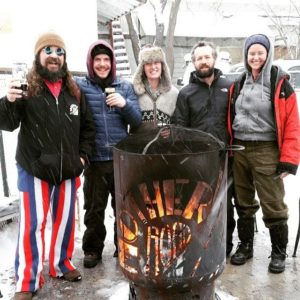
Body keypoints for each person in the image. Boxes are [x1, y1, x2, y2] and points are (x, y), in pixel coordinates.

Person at [0, 31, 95, 300]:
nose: (54, 56)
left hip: (68, 170)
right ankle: (27, 280)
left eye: (59, 52)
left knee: (64, 222)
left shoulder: (74, 91)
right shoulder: (27, 89)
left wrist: (82, 158)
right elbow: (7, 123)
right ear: (39, 56)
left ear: (64, 58)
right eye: (49, 51)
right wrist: (7, 101)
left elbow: (88, 128)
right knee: (33, 225)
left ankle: (60, 264)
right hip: (35, 170)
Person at [228, 33, 300, 273]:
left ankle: (278, 251)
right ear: (246, 56)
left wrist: (288, 160)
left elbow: (292, 123)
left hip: (266, 149)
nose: (255, 57)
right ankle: (246, 245)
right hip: (239, 148)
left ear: (267, 54)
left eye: (260, 52)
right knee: (243, 200)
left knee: (273, 202)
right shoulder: (239, 81)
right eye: (251, 53)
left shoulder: (280, 83)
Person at [75, 40, 142, 268]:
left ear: (112, 63)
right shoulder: (81, 87)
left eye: (106, 60)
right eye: (98, 60)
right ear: (91, 62)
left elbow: (137, 120)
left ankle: (124, 247)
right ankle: (93, 249)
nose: (102, 64)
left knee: (123, 207)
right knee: (94, 208)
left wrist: (124, 104)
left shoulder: (123, 87)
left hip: (119, 158)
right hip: (94, 160)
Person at [174, 41, 236, 256]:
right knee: (197, 204)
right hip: (197, 160)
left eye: (206, 57)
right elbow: (179, 127)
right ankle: (198, 245)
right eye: (199, 58)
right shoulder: (186, 93)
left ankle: (224, 245)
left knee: (225, 203)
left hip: (225, 157)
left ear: (214, 59)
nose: (203, 61)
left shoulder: (229, 88)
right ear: (193, 63)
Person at [132, 45, 178, 132]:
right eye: (148, 63)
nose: (153, 67)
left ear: (162, 65)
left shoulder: (174, 93)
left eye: (156, 62)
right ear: (142, 68)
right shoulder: (133, 91)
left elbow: (177, 123)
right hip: (139, 144)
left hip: (164, 144)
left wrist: (170, 130)